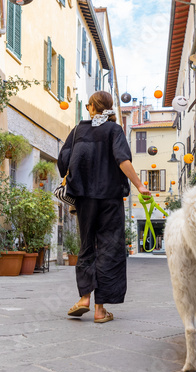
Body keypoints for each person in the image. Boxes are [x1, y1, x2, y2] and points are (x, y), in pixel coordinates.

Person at [58, 91, 150, 323]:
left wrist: (77, 182)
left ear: (91, 108)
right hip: (110, 199)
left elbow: (63, 160)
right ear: (108, 109)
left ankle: (84, 299)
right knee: (109, 248)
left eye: (88, 105)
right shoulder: (114, 130)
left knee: (87, 245)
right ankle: (100, 310)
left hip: (85, 198)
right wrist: (139, 185)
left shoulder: (78, 130)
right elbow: (122, 159)